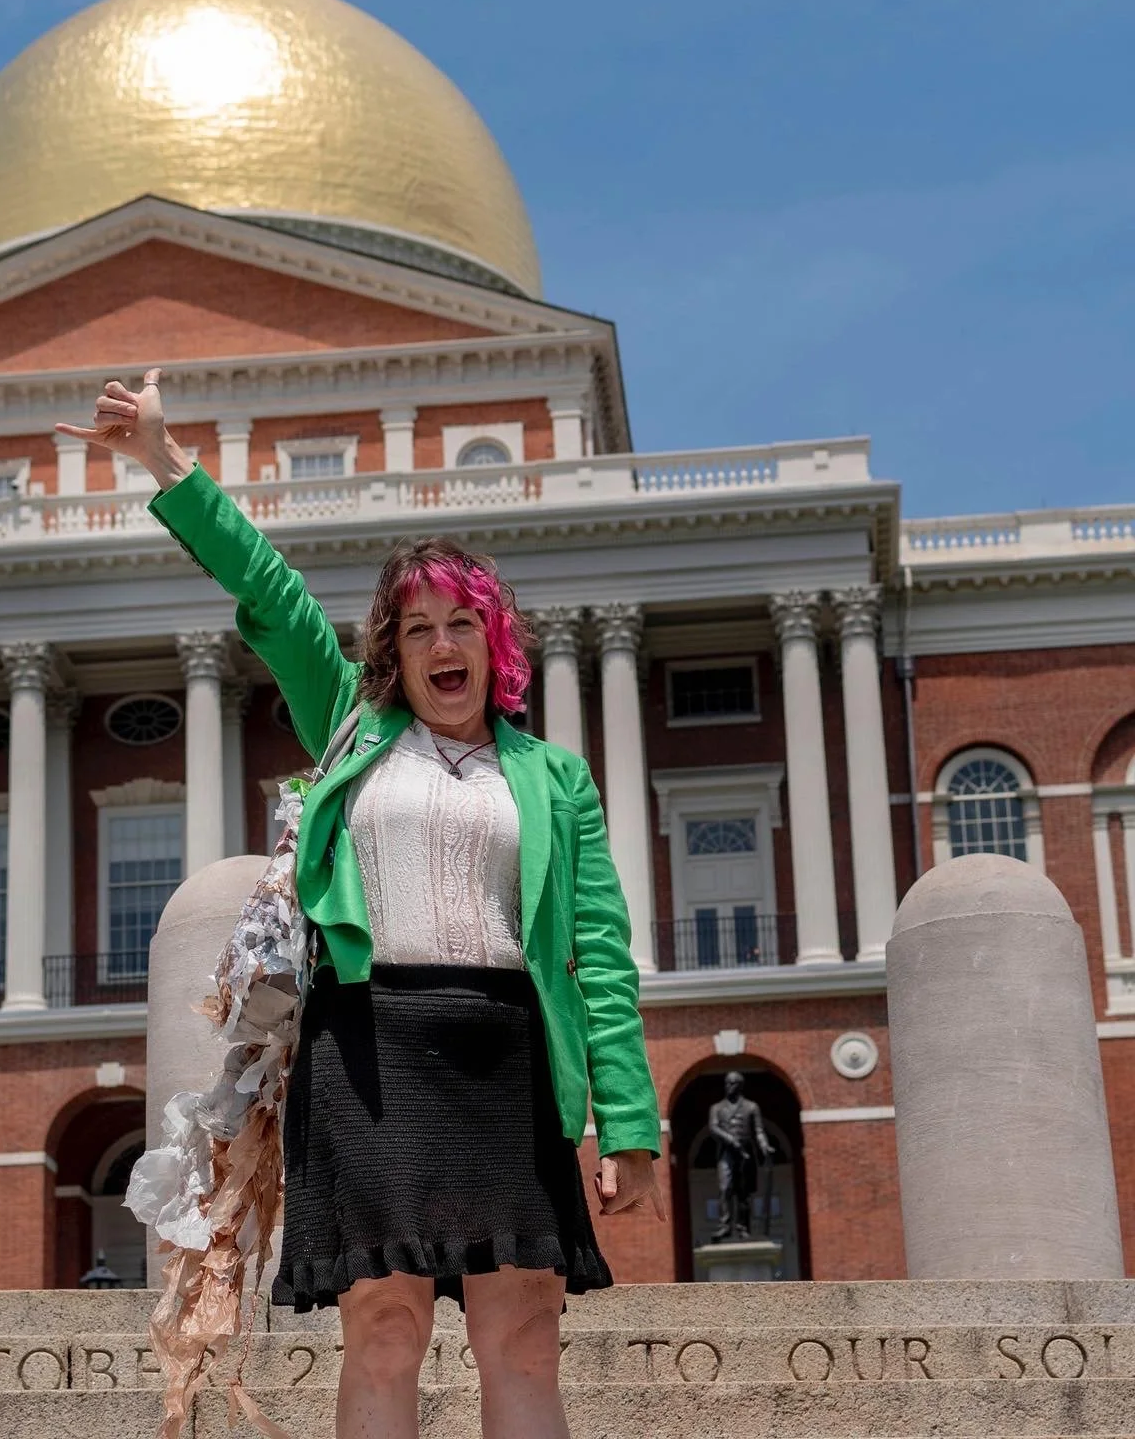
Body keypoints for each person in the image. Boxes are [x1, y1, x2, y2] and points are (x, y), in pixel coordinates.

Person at [56, 370, 666, 1439]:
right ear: (393, 647)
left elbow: (599, 956)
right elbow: (271, 592)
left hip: (510, 1052)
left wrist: (630, 1118)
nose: (442, 646)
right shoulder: (350, 719)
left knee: (521, 1329)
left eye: (462, 625)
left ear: (495, 643)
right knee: (385, 1326)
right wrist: (166, 459)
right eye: (419, 627)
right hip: (371, 1052)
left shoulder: (554, 778)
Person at [708, 1070, 773, 1242]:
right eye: (727, 1083)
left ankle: (743, 1227)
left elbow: (758, 1130)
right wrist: (730, 1140)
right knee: (725, 1188)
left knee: (743, 1193)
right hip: (726, 1152)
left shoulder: (751, 1107)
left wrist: (764, 1145)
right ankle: (725, 1226)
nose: (729, 1086)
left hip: (746, 1153)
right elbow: (713, 1128)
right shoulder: (716, 1108)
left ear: (740, 1085)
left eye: (733, 1083)